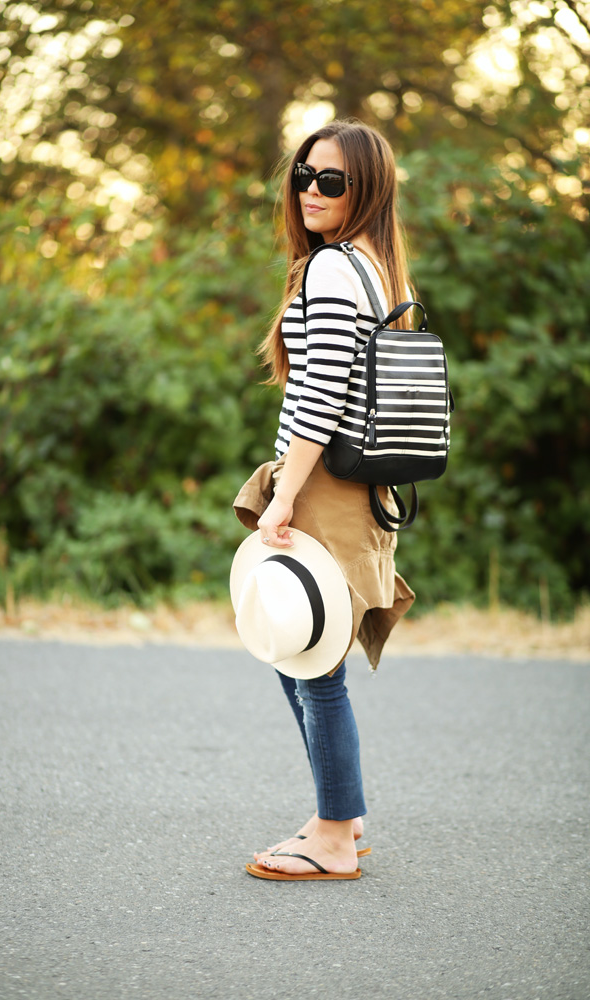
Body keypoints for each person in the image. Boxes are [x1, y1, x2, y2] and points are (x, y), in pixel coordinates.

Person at [233, 119, 416, 881]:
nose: (311, 190)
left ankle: (335, 834)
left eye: (331, 180)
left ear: (367, 186)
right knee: (303, 651)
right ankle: (341, 815)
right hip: (355, 487)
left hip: (324, 487)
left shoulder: (336, 269)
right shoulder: (380, 268)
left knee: (312, 662)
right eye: (304, 175)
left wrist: (285, 497)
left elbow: (321, 390)